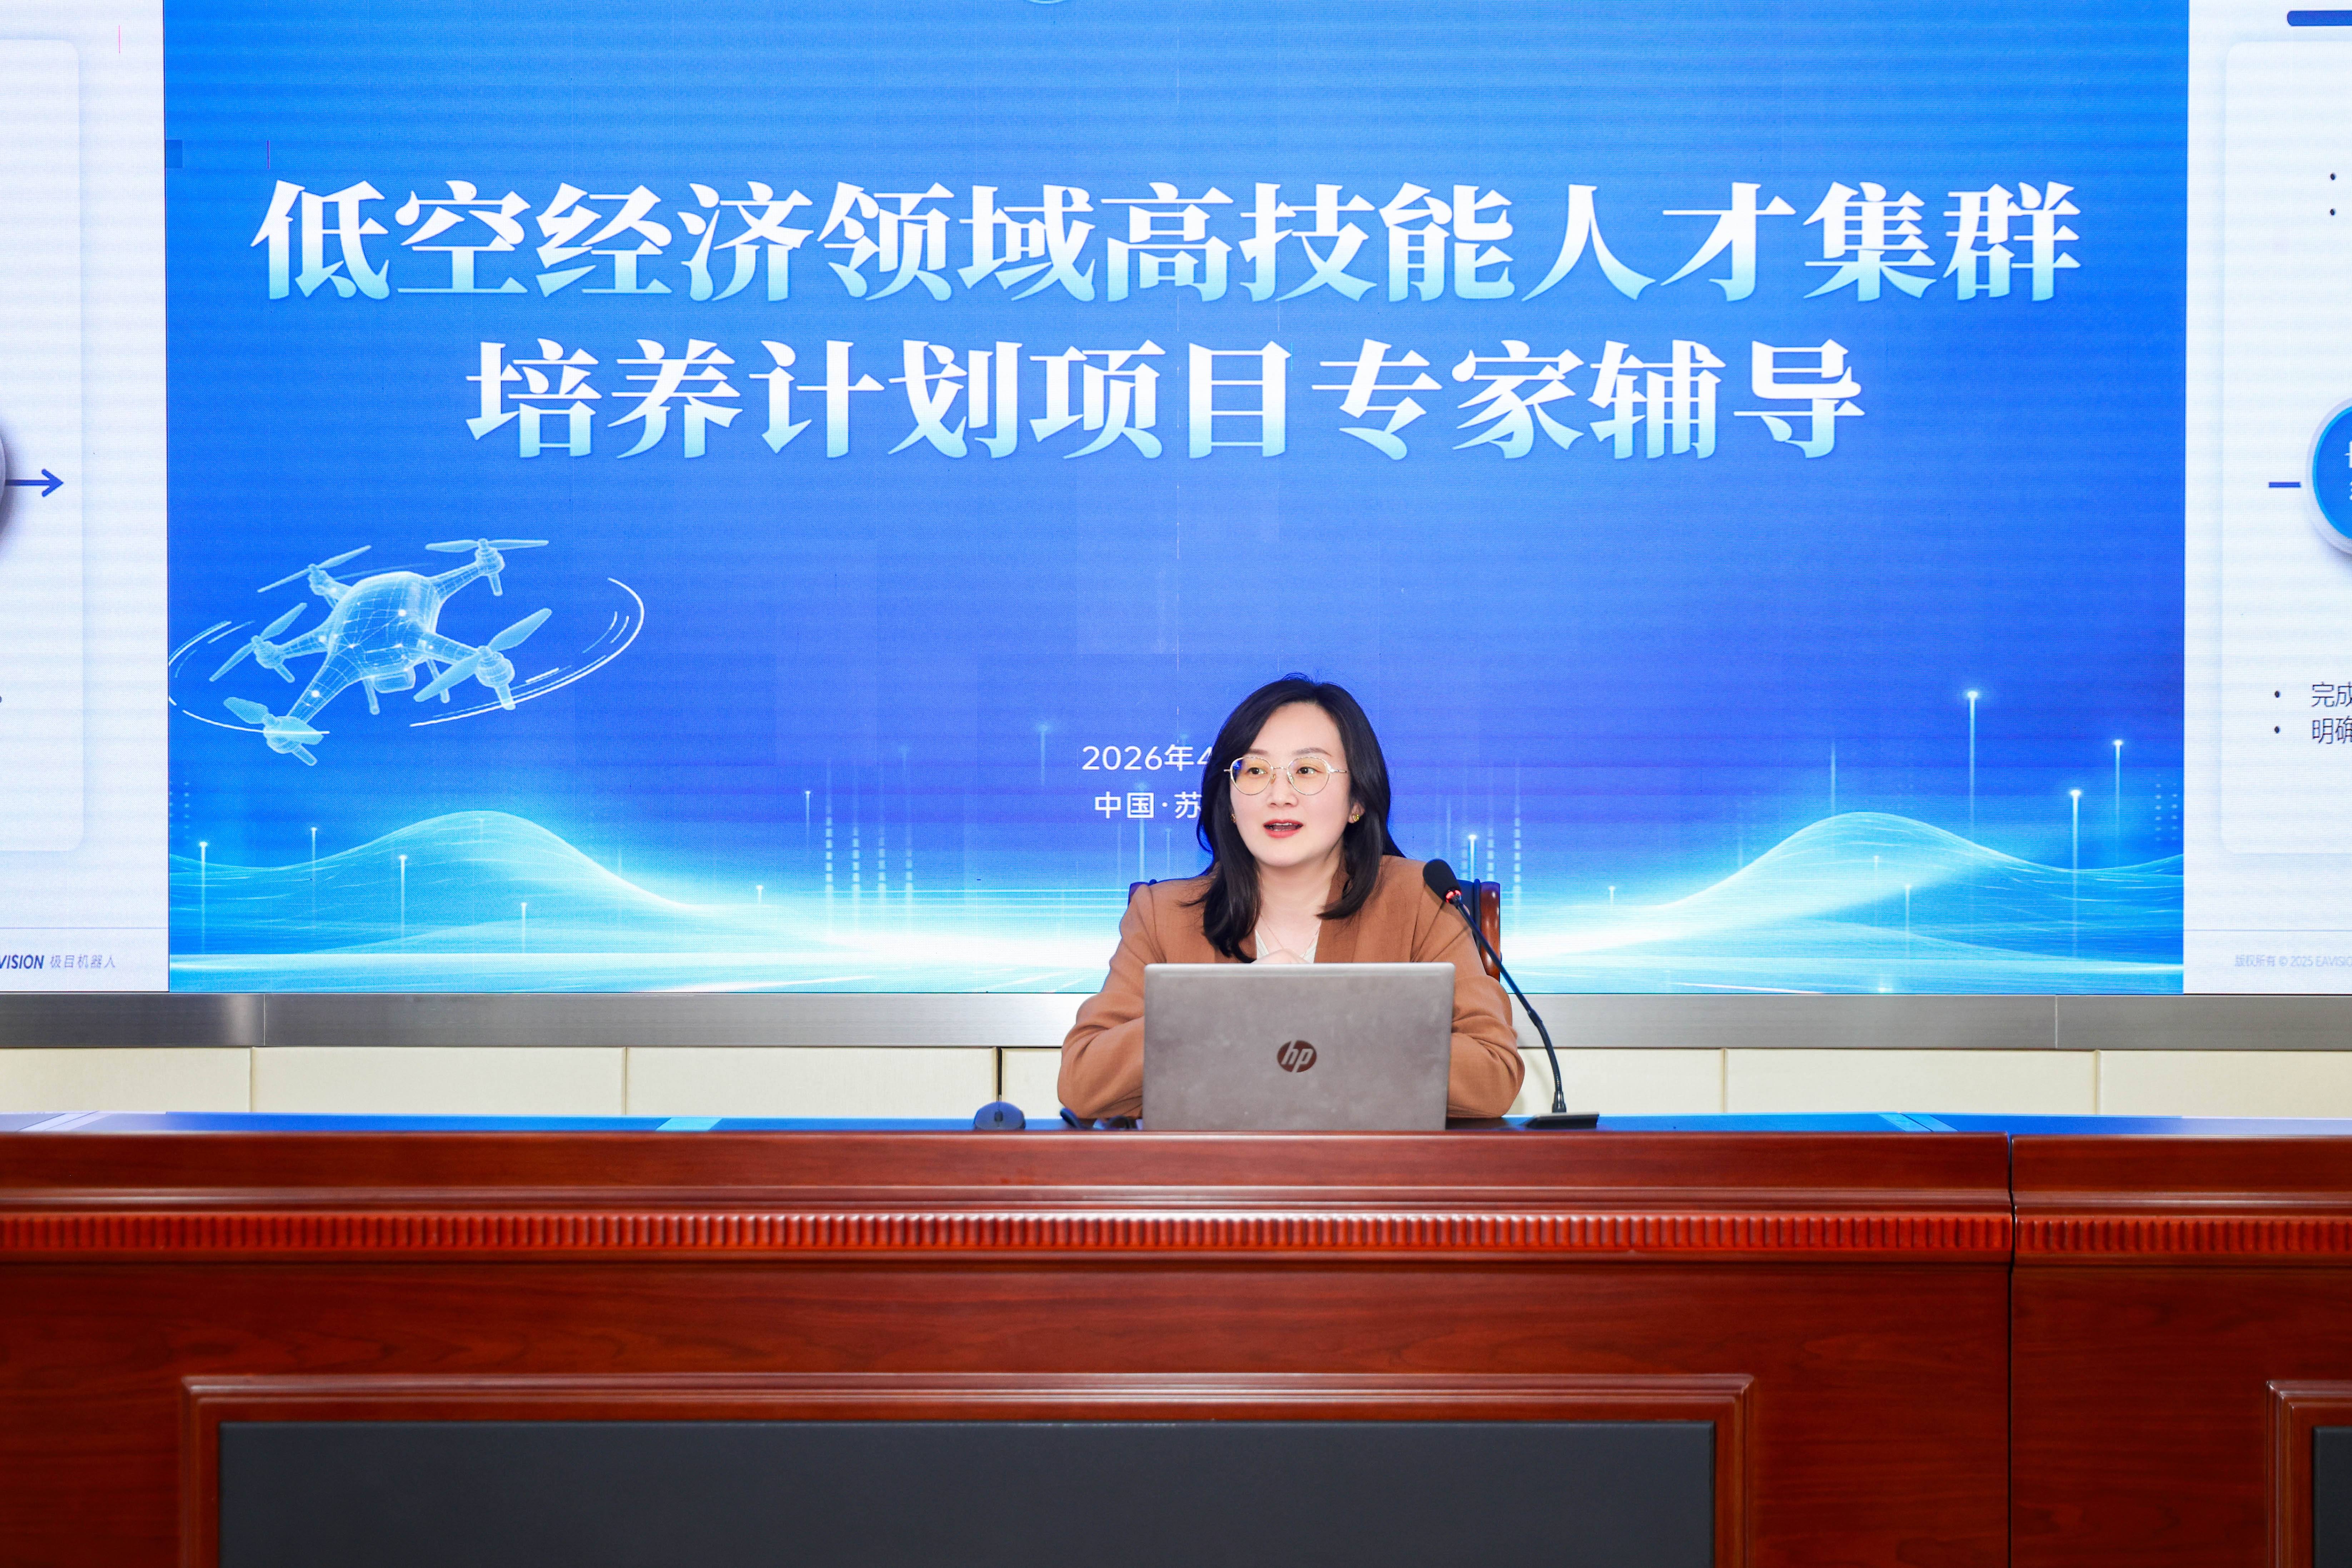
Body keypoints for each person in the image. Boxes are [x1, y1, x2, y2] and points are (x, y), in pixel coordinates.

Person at [1058, 675, 1525, 1121]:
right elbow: (1084, 1083)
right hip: (1217, 1177)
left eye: (1306, 770)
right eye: (1255, 771)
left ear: (1357, 800)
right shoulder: (1163, 916)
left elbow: (1493, 1074)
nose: (1279, 794)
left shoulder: (1420, 901)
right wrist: (1230, 1004)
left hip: (1369, 1176)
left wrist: (1325, 1012)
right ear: (1231, 801)